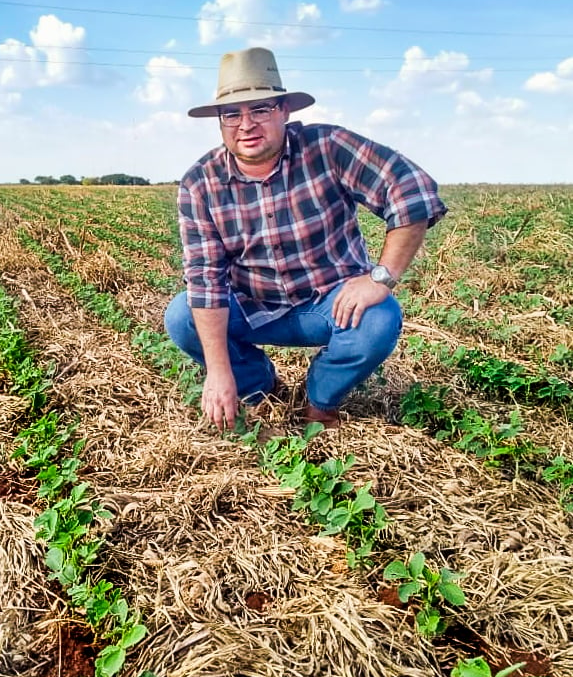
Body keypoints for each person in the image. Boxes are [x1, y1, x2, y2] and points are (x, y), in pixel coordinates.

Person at [164, 46, 447, 432]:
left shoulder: (328, 147)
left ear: (284, 111)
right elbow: (206, 280)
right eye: (232, 114)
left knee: (379, 320)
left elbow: (412, 192)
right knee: (183, 317)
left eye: (260, 109)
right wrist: (219, 373)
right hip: (252, 305)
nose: (246, 125)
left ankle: (320, 402)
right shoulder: (201, 183)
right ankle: (258, 389)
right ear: (219, 121)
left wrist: (381, 276)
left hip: (328, 302)